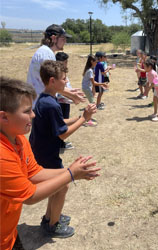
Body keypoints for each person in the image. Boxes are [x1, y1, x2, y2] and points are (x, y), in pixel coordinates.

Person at [0, 76, 100, 250]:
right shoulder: (2, 155)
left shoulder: (19, 140)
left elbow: (34, 173)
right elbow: (30, 196)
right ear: (4, 117)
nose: (33, 114)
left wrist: (73, 171)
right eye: (26, 111)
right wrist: (70, 174)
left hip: (9, 233)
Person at [29, 60, 97, 238]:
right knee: (62, 185)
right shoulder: (51, 104)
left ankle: (50, 217)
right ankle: (53, 225)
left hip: (41, 150)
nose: (66, 82)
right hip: (46, 154)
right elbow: (62, 134)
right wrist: (84, 118)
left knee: (58, 187)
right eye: (64, 79)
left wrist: (76, 117)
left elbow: (57, 124)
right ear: (52, 81)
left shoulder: (45, 99)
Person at [27, 24, 84, 107]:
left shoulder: (46, 52)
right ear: (54, 38)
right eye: (63, 38)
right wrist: (71, 95)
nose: (65, 41)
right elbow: (53, 83)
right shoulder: (46, 54)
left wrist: (69, 91)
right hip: (40, 104)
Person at [55, 52, 75, 150]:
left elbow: (68, 86)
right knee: (61, 123)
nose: (67, 63)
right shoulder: (56, 73)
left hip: (66, 101)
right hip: (60, 102)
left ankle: (61, 143)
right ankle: (59, 144)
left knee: (64, 121)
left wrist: (73, 94)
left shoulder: (64, 72)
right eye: (65, 62)